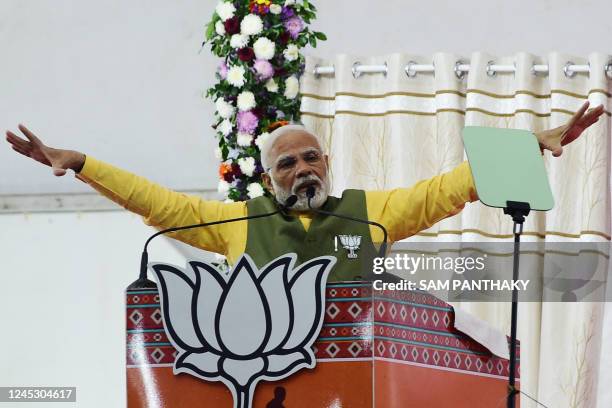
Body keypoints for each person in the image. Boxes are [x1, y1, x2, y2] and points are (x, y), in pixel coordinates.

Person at [5, 102, 605, 281]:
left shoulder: (371, 215)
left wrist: (531, 145)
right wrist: (81, 162)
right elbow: (158, 203)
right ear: (271, 179)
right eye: (287, 163)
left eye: (311, 156)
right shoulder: (239, 221)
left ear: (328, 162)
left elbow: (451, 187)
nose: (302, 168)